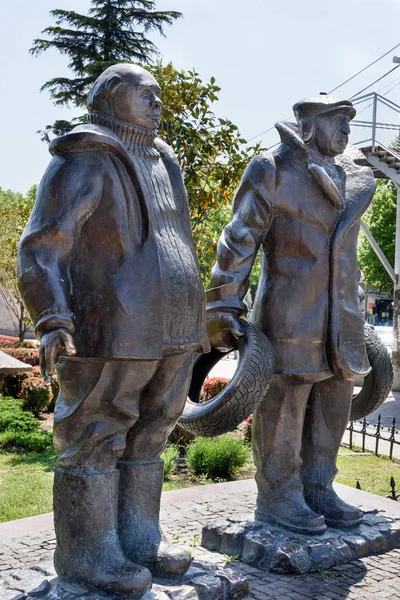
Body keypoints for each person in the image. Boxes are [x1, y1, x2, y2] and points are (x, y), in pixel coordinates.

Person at [18, 63, 209, 597]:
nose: (157, 102)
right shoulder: (83, 157)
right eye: (145, 93)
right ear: (111, 97)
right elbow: (42, 244)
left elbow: (178, 236)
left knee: (152, 430)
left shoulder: (164, 157)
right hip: (112, 328)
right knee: (96, 435)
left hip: (173, 324)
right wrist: (53, 318)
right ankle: (88, 554)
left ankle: (139, 539)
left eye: (159, 94)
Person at [206, 94, 375, 535]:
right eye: (337, 121)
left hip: (342, 316)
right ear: (308, 125)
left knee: (334, 397)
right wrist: (223, 304)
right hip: (290, 311)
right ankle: (279, 495)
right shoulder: (272, 168)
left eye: (349, 123)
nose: (346, 131)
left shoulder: (351, 175)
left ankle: (319, 487)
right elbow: (238, 239)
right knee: (286, 402)